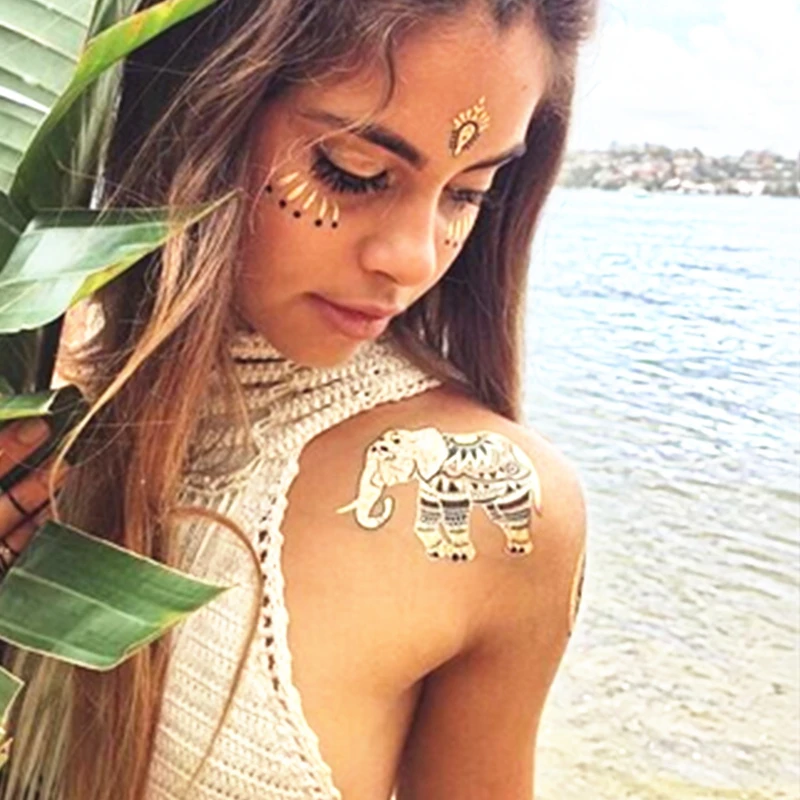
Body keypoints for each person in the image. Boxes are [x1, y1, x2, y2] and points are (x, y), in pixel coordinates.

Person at [0, 0, 595, 797]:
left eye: (469, 193)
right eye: (353, 171)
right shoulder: (36, 389)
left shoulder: (491, 503)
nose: (413, 259)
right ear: (198, 110)